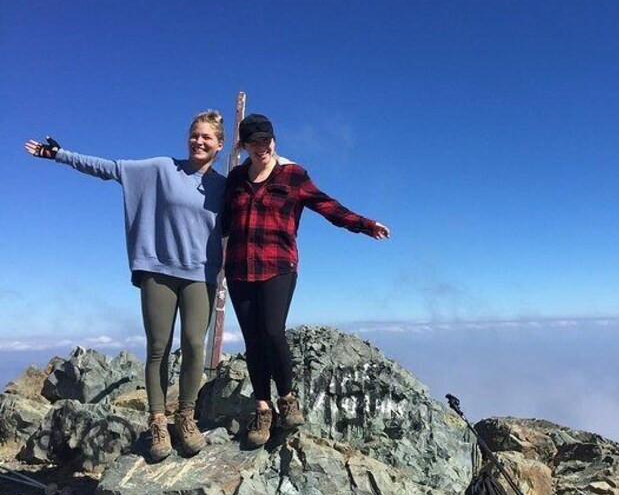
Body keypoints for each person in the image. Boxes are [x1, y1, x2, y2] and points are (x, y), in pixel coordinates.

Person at [24, 111, 227, 462]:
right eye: (194, 135)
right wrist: (58, 154)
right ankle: (159, 421)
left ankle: (186, 418)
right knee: (158, 347)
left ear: (219, 145)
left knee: (195, 344)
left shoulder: (224, 187)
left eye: (207, 137)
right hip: (158, 270)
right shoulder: (162, 168)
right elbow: (111, 168)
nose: (199, 141)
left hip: (200, 274)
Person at [222, 113, 390, 448]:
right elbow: (220, 221)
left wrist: (363, 224)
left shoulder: (293, 175)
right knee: (253, 340)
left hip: (278, 265)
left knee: (271, 331)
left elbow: (325, 204)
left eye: (265, 141)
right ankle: (262, 407)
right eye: (253, 143)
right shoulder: (236, 178)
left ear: (273, 140)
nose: (261, 148)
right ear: (243, 146)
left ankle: (286, 398)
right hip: (239, 267)